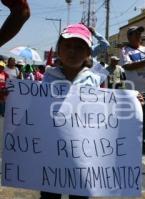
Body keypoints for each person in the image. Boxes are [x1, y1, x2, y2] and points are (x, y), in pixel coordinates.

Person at [40, 23, 102, 199]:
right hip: (51, 151)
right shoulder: (48, 77)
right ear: (59, 50)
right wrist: (13, 96)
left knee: (79, 195)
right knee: (49, 194)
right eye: (67, 46)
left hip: (82, 154)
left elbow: (105, 108)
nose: (72, 51)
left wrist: (132, 101)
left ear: (89, 53)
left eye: (80, 47)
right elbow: (35, 107)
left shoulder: (94, 79)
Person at [120, 26, 145, 153]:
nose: (139, 36)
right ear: (129, 37)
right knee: (133, 118)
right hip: (132, 91)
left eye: (140, 34)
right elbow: (127, 66)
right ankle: (130, 141)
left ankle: (144, 142)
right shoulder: (125, 50)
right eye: (136, 34)